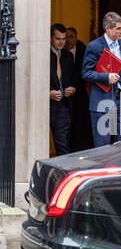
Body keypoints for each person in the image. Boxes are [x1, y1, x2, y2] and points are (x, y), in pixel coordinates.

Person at [82, 11, 121, 147]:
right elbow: (86, 73)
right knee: (102, 144)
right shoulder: (94, 46)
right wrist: (106, 77)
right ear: (107, 29)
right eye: (118, 28)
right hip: (102, 98)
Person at [65, 27, 93, 152]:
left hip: (81, 97)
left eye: (71, 36)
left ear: (76, 38)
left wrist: (76, 87)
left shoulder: (84, 53)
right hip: (64, 97)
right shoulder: (59, 54)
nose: (68, 40)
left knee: (81, 127)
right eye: (67, 37)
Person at [50, 23, 76, 155]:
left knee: (63, 146)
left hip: (63, 106)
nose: (61, 42)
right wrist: (47, 93)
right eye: (58, 39)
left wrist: (72, 89)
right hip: (44, 106)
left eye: (64, 39)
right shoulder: (43, 55)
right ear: (50, 38)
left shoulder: (68, 56)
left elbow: (74, 79)